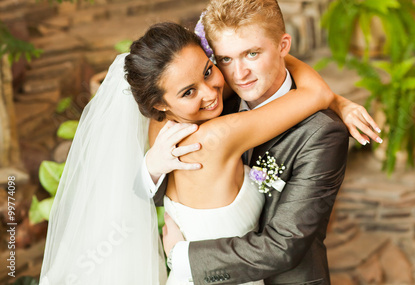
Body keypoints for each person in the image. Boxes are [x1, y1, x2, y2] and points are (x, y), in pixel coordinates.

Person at [39, 19, 334, 285]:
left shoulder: (160, 129)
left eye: (208, 71)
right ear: (160, 103)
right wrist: (279, 53)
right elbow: (317, 95)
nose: (210, 92)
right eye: (188, 92)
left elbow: (144, 189)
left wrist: (150, 170)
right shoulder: (217, 136)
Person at [150, 0, 381, 284]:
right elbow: (176, 187)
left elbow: (284, 245)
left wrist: (182, 257)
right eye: (225, 59)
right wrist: (152, 168)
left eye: (252, 54)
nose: (239, 74)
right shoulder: (215, 102)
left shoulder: (322, 132)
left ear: (283, 46)